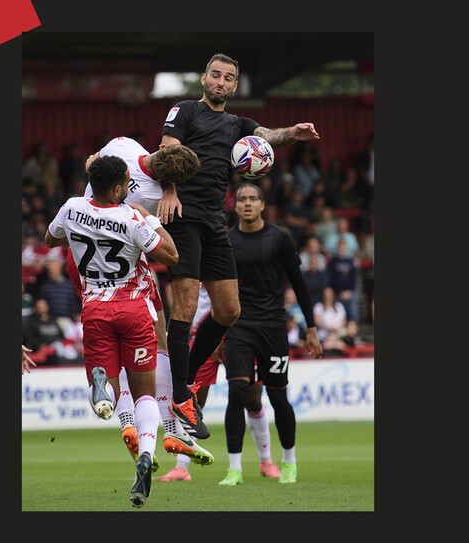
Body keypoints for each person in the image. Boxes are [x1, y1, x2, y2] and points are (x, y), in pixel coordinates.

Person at [157, 52, 321, 440]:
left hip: (215, 223)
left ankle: (186, 383)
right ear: (204, 79)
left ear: (233, 85)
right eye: (215, 75)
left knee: (229, 310)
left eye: (228, 77)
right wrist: (169, 191)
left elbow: (267, 136)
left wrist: (293, 133)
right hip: (183, 216)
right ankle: (179, 396)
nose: (220, 81)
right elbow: (166, 151)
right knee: (185, 307)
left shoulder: (238, 124)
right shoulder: (185, 111)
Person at [66, 138, 215, 467]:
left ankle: (129, 423)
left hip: (81, 262)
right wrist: (168, 195)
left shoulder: (124, 145)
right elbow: (169, 253)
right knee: (157, 340)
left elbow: (96, 162)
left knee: (111, 352)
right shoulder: (154, 198)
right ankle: (169, 430)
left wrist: (92, 163)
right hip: (126, 274)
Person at [45, 155, 179, 508]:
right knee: (145, 394)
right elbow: (171, 256)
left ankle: (102, 386)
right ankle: (146, 455)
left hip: (95, 308)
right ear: (118, 188)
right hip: (134, 309)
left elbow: (50, 240)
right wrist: (150, 218)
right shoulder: (132, 217)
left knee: (110, 390)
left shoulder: (71, 207)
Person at [217, 183, 322, 486]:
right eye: (242, 199)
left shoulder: (280, 238)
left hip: (273, 327)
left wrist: (311, 328)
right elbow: (218, 291)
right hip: (238, 326)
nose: (247, 203)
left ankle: (289, 461)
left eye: (253, 199)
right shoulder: (227, 241)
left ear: (263, 205)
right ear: (235, 206)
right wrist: (217, 334)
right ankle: (234, 469)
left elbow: (299, 283)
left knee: (277, 396)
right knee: (237, 393)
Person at [156, 283, 283, 481]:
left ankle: (266, 461)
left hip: (238, 333)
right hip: (201, 338)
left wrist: (223, 334)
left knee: (252, 400)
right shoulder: (192, 266)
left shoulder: (228, 264)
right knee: (193, 401)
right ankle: (181, 467)